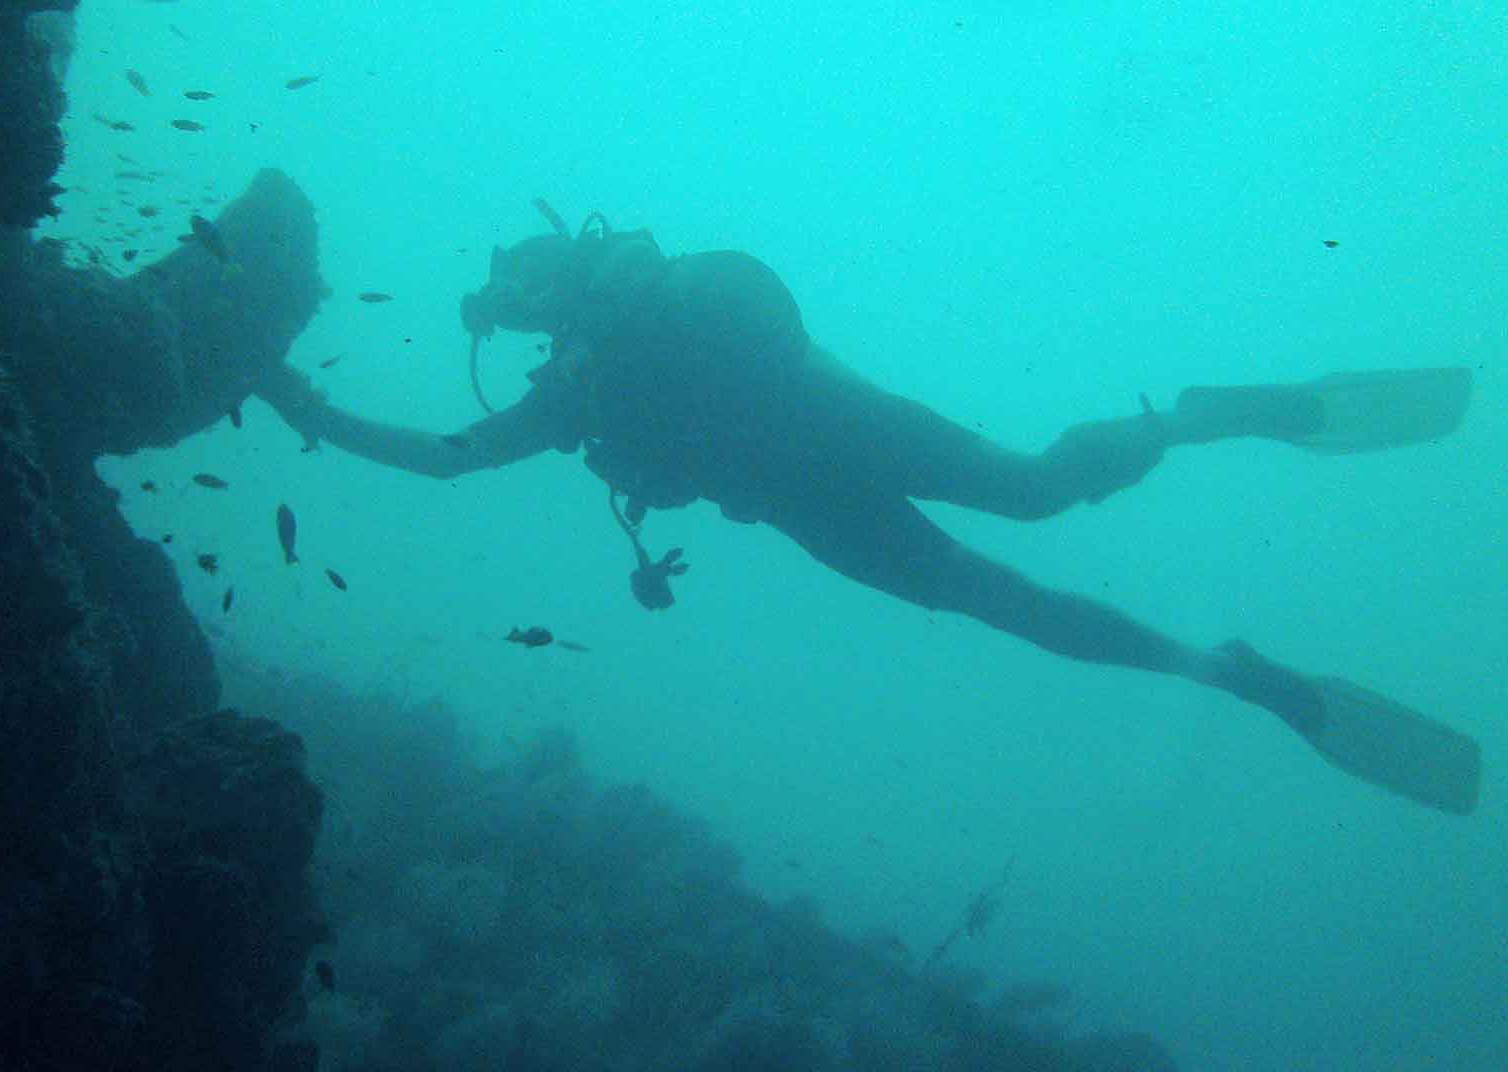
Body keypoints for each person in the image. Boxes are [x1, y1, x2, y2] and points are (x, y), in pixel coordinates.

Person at [258, 206, 1481, 813]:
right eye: (502, 294)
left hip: (856, 435)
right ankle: (1236, 674)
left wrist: (616, 322)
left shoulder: (666, 292)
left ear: (557, 264)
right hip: (819, 514)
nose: (507, 301)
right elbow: (446, 457)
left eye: (517, 277)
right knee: (1017, 611)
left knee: (1042, 492)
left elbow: (758, 318)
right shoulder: (568, 395)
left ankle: (1205, 415)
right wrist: (312, 410)